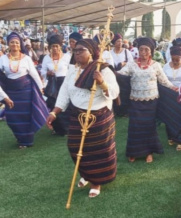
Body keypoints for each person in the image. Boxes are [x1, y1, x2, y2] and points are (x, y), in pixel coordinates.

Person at [46, 39, 119, 198]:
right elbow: (64, 92)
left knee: (97, 151)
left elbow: (114, 93)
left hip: (99, 117)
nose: (77, 53)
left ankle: (95, 182)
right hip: (77, 115)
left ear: (91, 52)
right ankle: (86, 174)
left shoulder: (103, 69)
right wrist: (54, 112)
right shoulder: (72, 70)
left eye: (81, 50)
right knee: (75, 147)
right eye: (75, 51)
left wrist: (102, 83)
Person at [117, 37, 178, 163]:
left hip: (151, 101)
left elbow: (164, 81)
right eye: (141, 49)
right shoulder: (132, 65)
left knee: (148, 127)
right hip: (135, 101)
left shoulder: (156, 65)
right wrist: (108, 71)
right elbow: (121, 74)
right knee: (135, 127)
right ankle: (133, 152)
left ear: (151, 51)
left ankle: (148, 152)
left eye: (146, 50)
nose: (143, 52)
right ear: (137, 50)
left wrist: (173, 87)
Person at [0, 32, 49, 149]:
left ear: (20, 44)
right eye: (12, 42)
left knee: (26, 116)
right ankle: (19, 136)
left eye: (17, 42)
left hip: (26, 92)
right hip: (10, 92)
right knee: (12, 118)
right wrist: (4, 96)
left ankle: (26, 140)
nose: (14, 44)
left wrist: (41, 88)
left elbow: (34, 74)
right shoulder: (2, 59)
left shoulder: (26, 58)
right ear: (8, 44)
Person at [41, 34, 71, 136]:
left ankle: (66, 128)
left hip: (64, 83)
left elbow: (71, 71)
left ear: (60, 46)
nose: (54, 48)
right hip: (52, 85)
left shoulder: (67, 57)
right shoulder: (46, 58)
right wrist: (47, 73)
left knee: (65, 105)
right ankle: (57, 128)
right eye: (53, 46)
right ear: (49, 47)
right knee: (53, 105)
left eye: (56, 46)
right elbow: (42, 72)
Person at [163, 45, 181, 151]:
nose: (175, 62)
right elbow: (162, 79)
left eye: (177, 60)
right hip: (168, 95)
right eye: (173, 59)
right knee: (169, 116)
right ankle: (171, 137)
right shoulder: (166, 66)